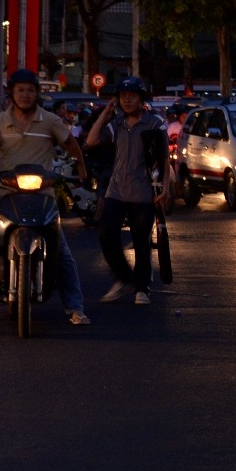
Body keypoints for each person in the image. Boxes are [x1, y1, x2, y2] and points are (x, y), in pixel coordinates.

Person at [0, 69, 91, 326]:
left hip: (44, 196)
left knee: (63, 253)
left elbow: (70, 143)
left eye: (30, 90)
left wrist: (80, 168)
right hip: (6, 194)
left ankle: (75, 307)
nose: (25, 95)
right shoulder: (0, 121)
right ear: (12, 94)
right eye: (20, 90)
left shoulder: (50, 120)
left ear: (37, 93)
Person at [85, 76, 169, 305]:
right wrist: (106, 113)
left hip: (143, 192)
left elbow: (164, 158)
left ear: (141, 98)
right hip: (116, 190)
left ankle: (141, 288)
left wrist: (165, 190)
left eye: (132, 96)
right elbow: (91, 141)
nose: (127, 100)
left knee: (141, 242)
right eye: (123, 97)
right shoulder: (116, 125)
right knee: (105, 234)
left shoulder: (154, 123)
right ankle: (123, 278)